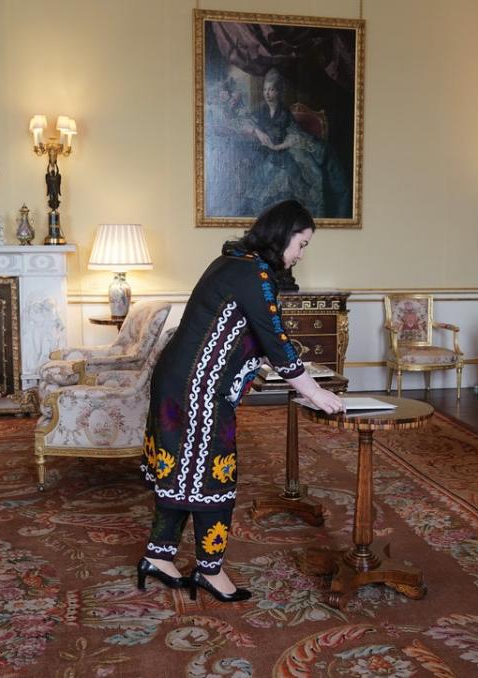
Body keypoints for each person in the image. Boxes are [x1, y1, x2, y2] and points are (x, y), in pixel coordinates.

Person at [138, 200, 344, 602]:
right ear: (283, 235)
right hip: (196, 388)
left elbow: (249, 334)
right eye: (301, 244)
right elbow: (275, 339)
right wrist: (315, 392)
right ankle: (210, 572)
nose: (300, 254)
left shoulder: (235, 262)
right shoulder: (253, 273)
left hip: (180, 382)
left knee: (183, 470)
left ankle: (158, 557)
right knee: (214, 474)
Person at [242, 69, 350, 218]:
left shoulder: (284, 112)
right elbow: (244, 121)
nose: (267, 93)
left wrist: (277, 146)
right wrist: (257, 131)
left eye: (271, 90)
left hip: (283, 151)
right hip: (265, 152)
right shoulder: (261, 109)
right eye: (265, 89)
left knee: (298, 176)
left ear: (279, 92)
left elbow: (293, 135)